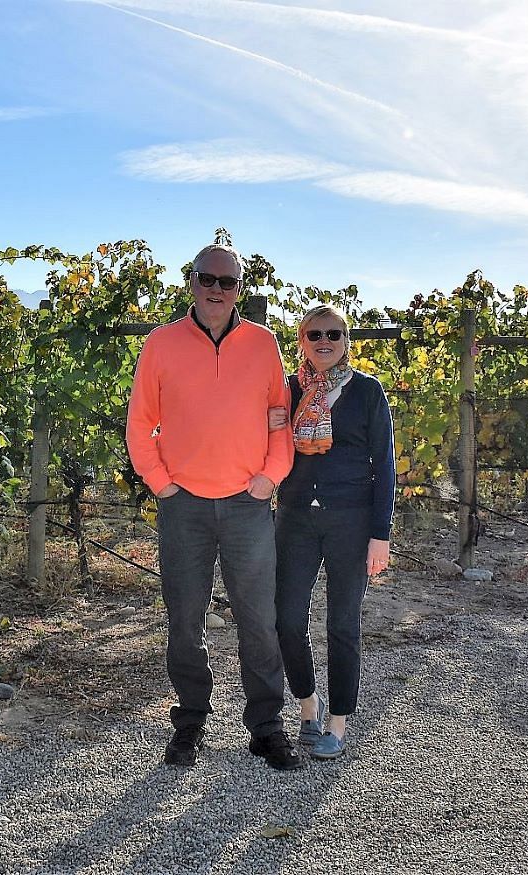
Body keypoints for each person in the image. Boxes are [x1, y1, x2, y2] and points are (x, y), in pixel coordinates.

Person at [125, 243, 303, 770]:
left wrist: (271, 477)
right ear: (192, 282)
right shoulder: (160, 344)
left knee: (259, 622)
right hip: (185, 508)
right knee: (185, 621)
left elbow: (280, 419)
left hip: (248, 507)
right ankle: (190, 726)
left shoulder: (263, 344)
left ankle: (266, 728)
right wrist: (160, 483)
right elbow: (140, 423)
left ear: (239, 290)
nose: (217, 289)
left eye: (228, 281)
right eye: (208, 278)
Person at [273, 304, 396, 759]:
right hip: (296, 517)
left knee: (343, 623)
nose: (325, 342)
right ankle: (308, 703)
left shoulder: (367, 392)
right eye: (315, 334)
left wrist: (379, 534)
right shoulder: (287, 391)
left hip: (352, 519)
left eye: (335, 334)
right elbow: (267, 447)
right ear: (302, 341)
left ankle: (338, 723)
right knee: (286, 618)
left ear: (347, 341)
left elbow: (383, 467)